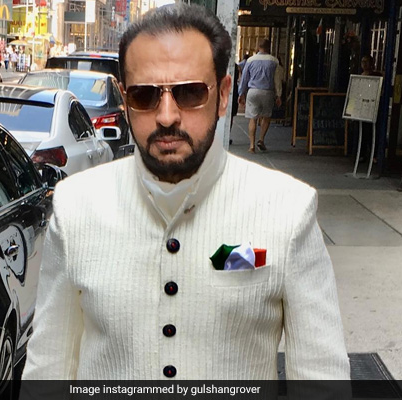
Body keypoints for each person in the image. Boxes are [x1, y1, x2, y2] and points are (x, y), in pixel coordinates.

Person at [22, 3, 349, 381]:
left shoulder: (288, 210)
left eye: (191, 93)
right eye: (144, 96)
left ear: (223, 95)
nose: (166, 116)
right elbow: (49, 367)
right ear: (125, 100)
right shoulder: (76, 207)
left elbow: (321, 376)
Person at [238, 39, 282, 153]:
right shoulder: (274, 61)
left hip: (253, 91)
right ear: (269, 47)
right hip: (268, 92)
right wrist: (278, 95)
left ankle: (251, 145)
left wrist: (241, 93)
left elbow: (244, 79)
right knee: (266, 117)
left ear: (258, 47)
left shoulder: (250, 60)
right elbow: (277, 80)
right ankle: (261, 139)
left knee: (253, 118)